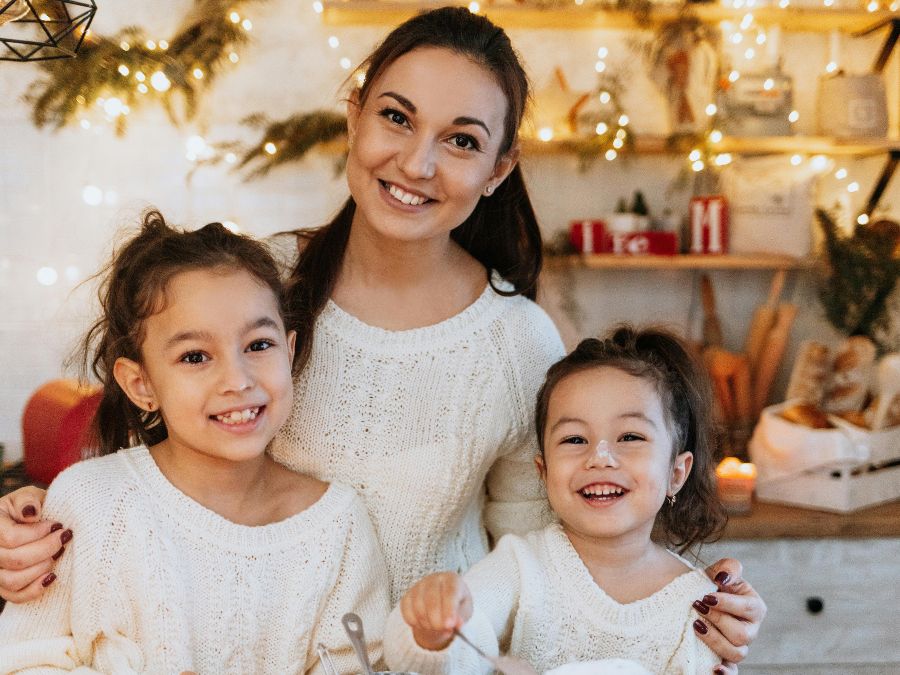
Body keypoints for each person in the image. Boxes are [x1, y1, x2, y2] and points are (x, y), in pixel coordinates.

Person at [0, 6, 763, 665]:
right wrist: (33, 530)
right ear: (355, 114)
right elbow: (149, 487)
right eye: (396, 117)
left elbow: (563, 561)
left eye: (462, 141)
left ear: (500, 168)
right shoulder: (260, 292)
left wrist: (688, 607)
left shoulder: (517, 340)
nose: (417, 162)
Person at [0, 212, 388, 674]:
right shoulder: (89, 502)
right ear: (140, 383)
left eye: (258, 345)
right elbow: (22, 661)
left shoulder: (338, 526)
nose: (237, 380)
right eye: (195, 356)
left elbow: (359, 666)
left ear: (289, 349)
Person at [384, 326, 736, 674]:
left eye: (630, 436)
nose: (601, 457)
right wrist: (432, 630)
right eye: (574, 439)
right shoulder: (522, 566)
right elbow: (462, 645)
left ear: (676, 473)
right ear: (544, 471)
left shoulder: (699, 604)